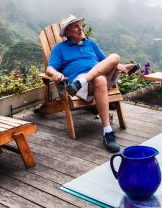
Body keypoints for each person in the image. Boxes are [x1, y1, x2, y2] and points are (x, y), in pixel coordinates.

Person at [45, 14, 138, 153]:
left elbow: (106, 62)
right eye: (76, 26)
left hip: (91, 79)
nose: (80, 28)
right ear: (68, 32)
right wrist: (56, 74)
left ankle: (82, 81)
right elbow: (49, 68)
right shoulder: (60, 48)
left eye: (80, 25)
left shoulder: (90, 44)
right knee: (99, 79)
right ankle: (107, 132)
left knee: (115, 57)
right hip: (86, 82)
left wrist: (123, 67)